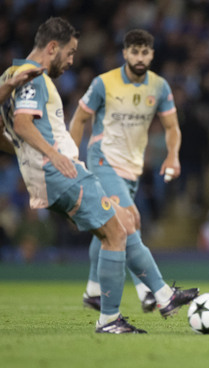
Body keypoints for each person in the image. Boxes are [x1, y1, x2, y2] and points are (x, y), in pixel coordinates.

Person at [0, 17, 197, 334]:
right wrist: (53, 155)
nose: (72, 60)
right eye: (70, 52)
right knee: (117, 231)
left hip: (48, 173)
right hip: (61, 170)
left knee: (120, 223)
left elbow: (10, 131)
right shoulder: (33, 77)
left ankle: (159, 295)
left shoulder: (11, 77)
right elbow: (23, 123)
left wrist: (24, 151)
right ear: (53, 47)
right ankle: (110, 318)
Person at [69, 29, 183, 313]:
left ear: (152, 54)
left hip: (132, 169)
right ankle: (159, 292)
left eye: (145, 52)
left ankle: (95, 291)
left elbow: (171, 127)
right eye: (135, 52)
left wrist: (172, 155)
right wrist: (72, 157)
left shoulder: (159, 87)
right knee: (129, 222)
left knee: (111, 229)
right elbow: (80, 118)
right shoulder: (103, 84)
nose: (140, 57)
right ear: (125, 53)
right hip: (103, 161)